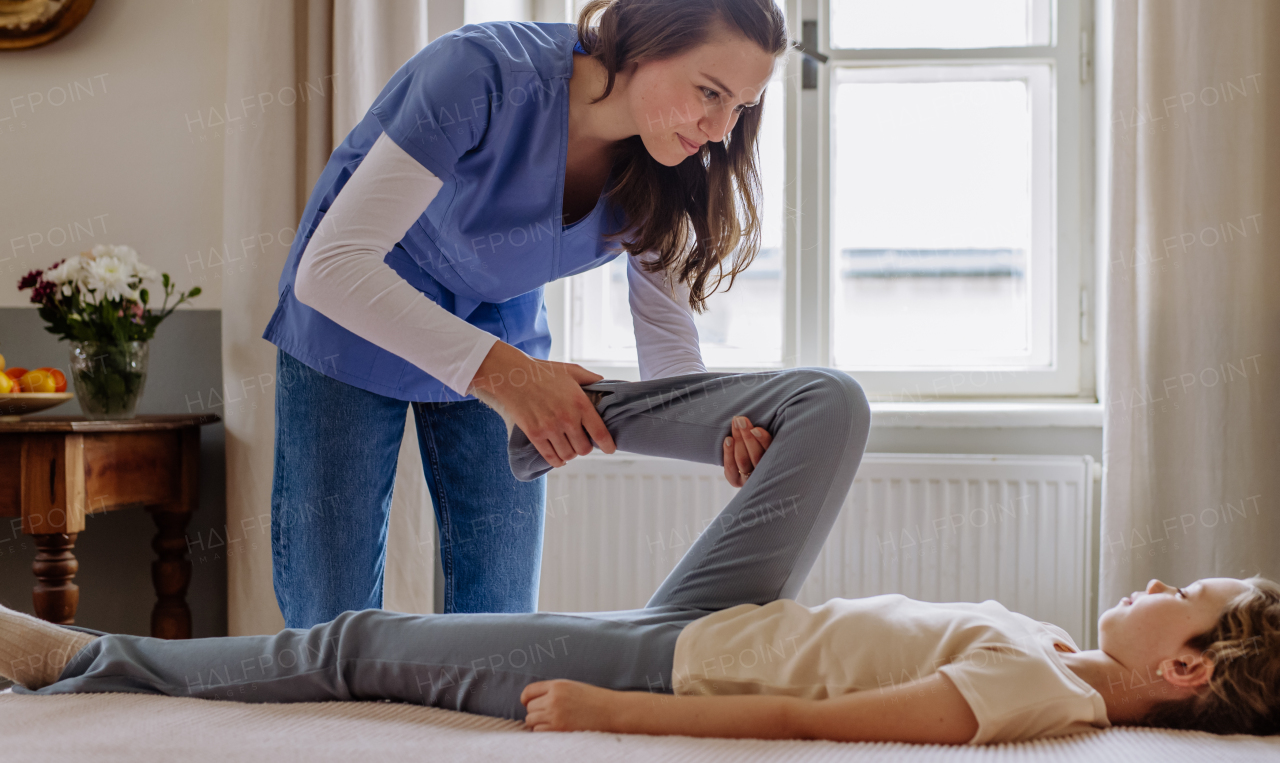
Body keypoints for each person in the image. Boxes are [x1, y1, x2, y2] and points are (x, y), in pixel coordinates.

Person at [3, 368, 1277, 744]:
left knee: (362, 645)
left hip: (672, 662)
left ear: (1180, 672)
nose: (1160, 584)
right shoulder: (1055, 655)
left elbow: (832, 722)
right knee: (823, 405)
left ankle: (86, 657)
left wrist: (621, 707)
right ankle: (559, 416)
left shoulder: (1045, 694)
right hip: (725, 612)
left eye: (1185, 599)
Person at [260, 0, 788, 627]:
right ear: (642, 41)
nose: (720, 132)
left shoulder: (667, 165)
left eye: (741, 108)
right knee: (326, 615)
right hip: (355, 311)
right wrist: (508, 377)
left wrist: (720, 428)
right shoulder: (477, 75)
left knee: (500, 621)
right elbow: (331, 268)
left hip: (500, 326)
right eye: (709, 92)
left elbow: (667, 349)